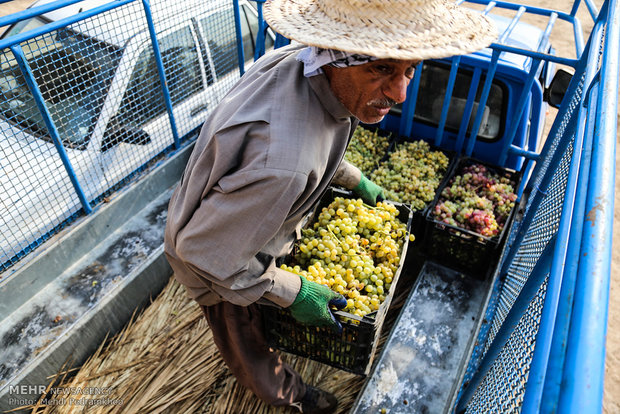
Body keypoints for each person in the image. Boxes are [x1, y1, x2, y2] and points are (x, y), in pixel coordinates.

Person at [164, 0, 496, 412]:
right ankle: (292, 397)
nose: (401, 93)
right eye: (381, 69)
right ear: (338, 58)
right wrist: (293, 290)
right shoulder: (282, 166)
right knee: (246, 338)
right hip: (214, 262)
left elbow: (314, 140)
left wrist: (354, 179)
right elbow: (204, 255)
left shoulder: (299, 61)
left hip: (239, 220)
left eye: (409, 69)